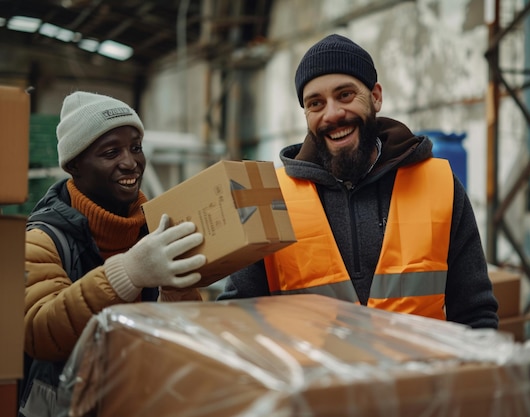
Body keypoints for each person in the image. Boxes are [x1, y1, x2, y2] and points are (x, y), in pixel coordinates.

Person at [218, 34, 499, 330]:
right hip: (314, 376)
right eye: (316, 103)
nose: (333, 114)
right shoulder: (268, 198)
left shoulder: (438, 183)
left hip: (421, 376)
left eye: (345, 95)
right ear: (306, 114)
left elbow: (476, 316)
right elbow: (237, 322)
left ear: (375, 96)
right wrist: (172, 287)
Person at [19, 91, 207, 417]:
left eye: (136, 147)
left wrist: (177, 289)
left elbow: (185, 340)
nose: (130, 162)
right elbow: (40, 332)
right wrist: (128, 273)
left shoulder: (154, 231)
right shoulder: (42, 239)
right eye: (110, 152)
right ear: (74, 165)